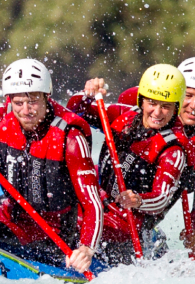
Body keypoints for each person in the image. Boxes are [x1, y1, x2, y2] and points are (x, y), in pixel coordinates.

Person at [0, 59, 101, 274]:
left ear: (46, 97)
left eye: (33, 101)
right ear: (10, 100)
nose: (26, 110)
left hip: (52, 233)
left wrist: (86, 248)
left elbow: (92, 203)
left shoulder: (71, 137)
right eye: (19, 103)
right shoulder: (1, 115)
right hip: (10, 215)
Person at [70, 64, 188, 262]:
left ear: (176, 108)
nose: (157, 113)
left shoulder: (172, 150)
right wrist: (87, 94)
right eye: (152, 103)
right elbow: (73, 112)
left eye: (166, 106)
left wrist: (138, 200)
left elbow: (161, 199)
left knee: (75, 222)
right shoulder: (121, 115)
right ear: (142, 100)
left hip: (124, 221)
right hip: (97, 200)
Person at [118, 58, 195, 252]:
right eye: (188, 95)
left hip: (150, 205)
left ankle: (145, 236)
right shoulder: (145, 95)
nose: (194, 105)